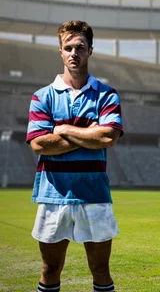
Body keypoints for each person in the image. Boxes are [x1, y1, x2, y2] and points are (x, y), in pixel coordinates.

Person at [26, 20, 123, 292]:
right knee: (50, 268)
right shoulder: (42, 97)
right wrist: (87, 134)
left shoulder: (107, 95)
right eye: (68, 47)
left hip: (94, 194)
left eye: (80, 47)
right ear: (60, 52)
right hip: (53, 194)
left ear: (90, 50)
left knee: (101, 270)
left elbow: (107, 137)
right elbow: (39, 145)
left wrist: (64, 128)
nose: (74, 53)